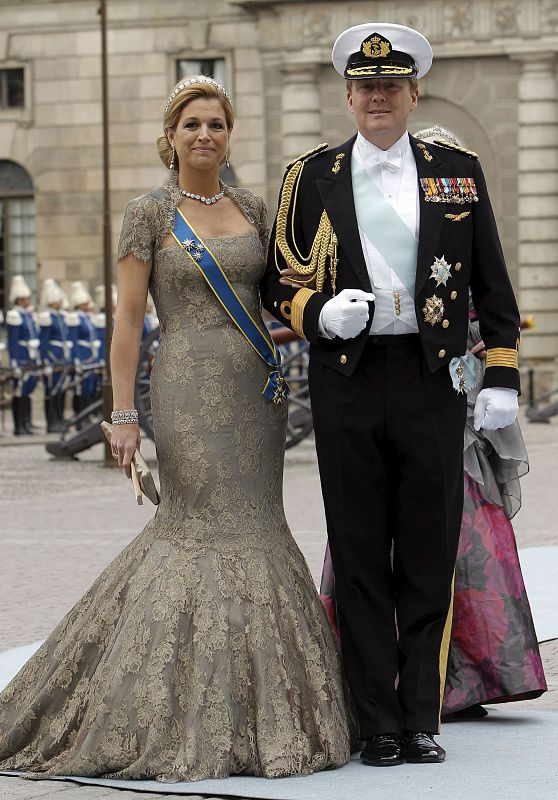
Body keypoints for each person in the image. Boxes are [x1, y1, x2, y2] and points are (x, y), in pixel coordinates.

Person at [0, 76, 351, 781]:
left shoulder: (253, 206)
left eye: (216, 124)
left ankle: (270, 714)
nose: (204, 136)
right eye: (191, 124)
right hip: (187, 388)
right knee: (195, 528)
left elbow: (282, 288)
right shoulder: (149, 215)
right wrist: (123, 413)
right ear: (170, 135)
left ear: (230, 134)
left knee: (257, 525)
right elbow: (128, 321)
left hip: (257, 391)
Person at [260, 23, 521, 766]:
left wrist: (499, 374)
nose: (377, 97)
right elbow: (279, 277)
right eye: (365, 87)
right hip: (347, 377)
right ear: (347, 95)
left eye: (390, 86)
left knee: (428, 551)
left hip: (431, 378)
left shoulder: (457, 169)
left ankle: (421, 715)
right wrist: (315, 314)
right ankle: (376, 720)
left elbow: (493, 282)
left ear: (413, 93)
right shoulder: (308, 177)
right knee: (362, 550)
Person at [38, 278, 76, 432]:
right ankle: (51, 422)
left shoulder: (61, 316)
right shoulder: (47, 317)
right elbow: (44, 342)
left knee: (61, 390)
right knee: (52, 390)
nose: (60, 302)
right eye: (57, 300)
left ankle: (60, 419)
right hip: (53, 357)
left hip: (63, 356)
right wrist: (45, 361)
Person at [6, 275, 41, 436]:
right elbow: (12, 341)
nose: (29, 300)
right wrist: (14, 362)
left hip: (30, 357)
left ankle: (26, 422)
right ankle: (18, 426)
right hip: (20, 357)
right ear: (20, 300)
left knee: (27, 390)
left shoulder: (28, 315)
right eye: (26, 298)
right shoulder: (14, 315)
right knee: (19, 391)